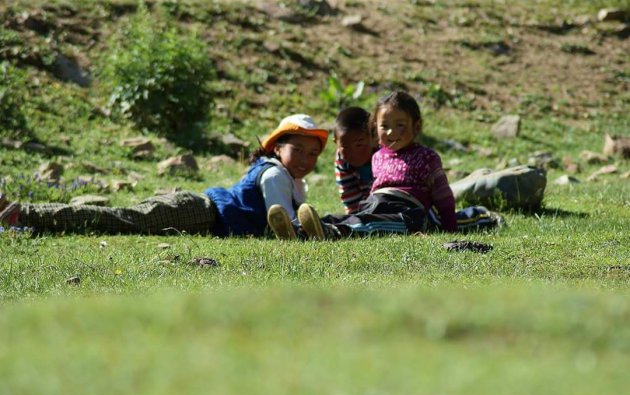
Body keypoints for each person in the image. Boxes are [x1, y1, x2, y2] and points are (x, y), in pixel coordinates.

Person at [0, 114, 328, 237]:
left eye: (312, 153)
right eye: (297, 150)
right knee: (123, 219)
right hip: (200, 211)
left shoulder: (293, 181)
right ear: (277, 148)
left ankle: (22, 214)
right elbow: (279, 218)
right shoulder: (275, 176)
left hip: (201, 214)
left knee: (124, 219)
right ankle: (22, 213)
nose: (305, 159)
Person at [268, 91, 501, 240]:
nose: (391, 132)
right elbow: (370, 192)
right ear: (375, 129)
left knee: (371, 225)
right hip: (376, 203)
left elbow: (444, 197)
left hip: (409, 215)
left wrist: (449, 230)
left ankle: (333, 233)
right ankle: (299, 229)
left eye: (400, 125)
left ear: (416, 126)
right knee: (348, 216)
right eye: (384, 125)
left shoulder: (427, 157)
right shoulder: (378, 156)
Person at [333, 106, 378, 214]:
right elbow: (348, 191)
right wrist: (356, 215)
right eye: (346, 147)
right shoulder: (342, 160)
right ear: (336, 143)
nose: (353, 153)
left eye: (359, 145)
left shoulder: (383, 154)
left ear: (373, 138)